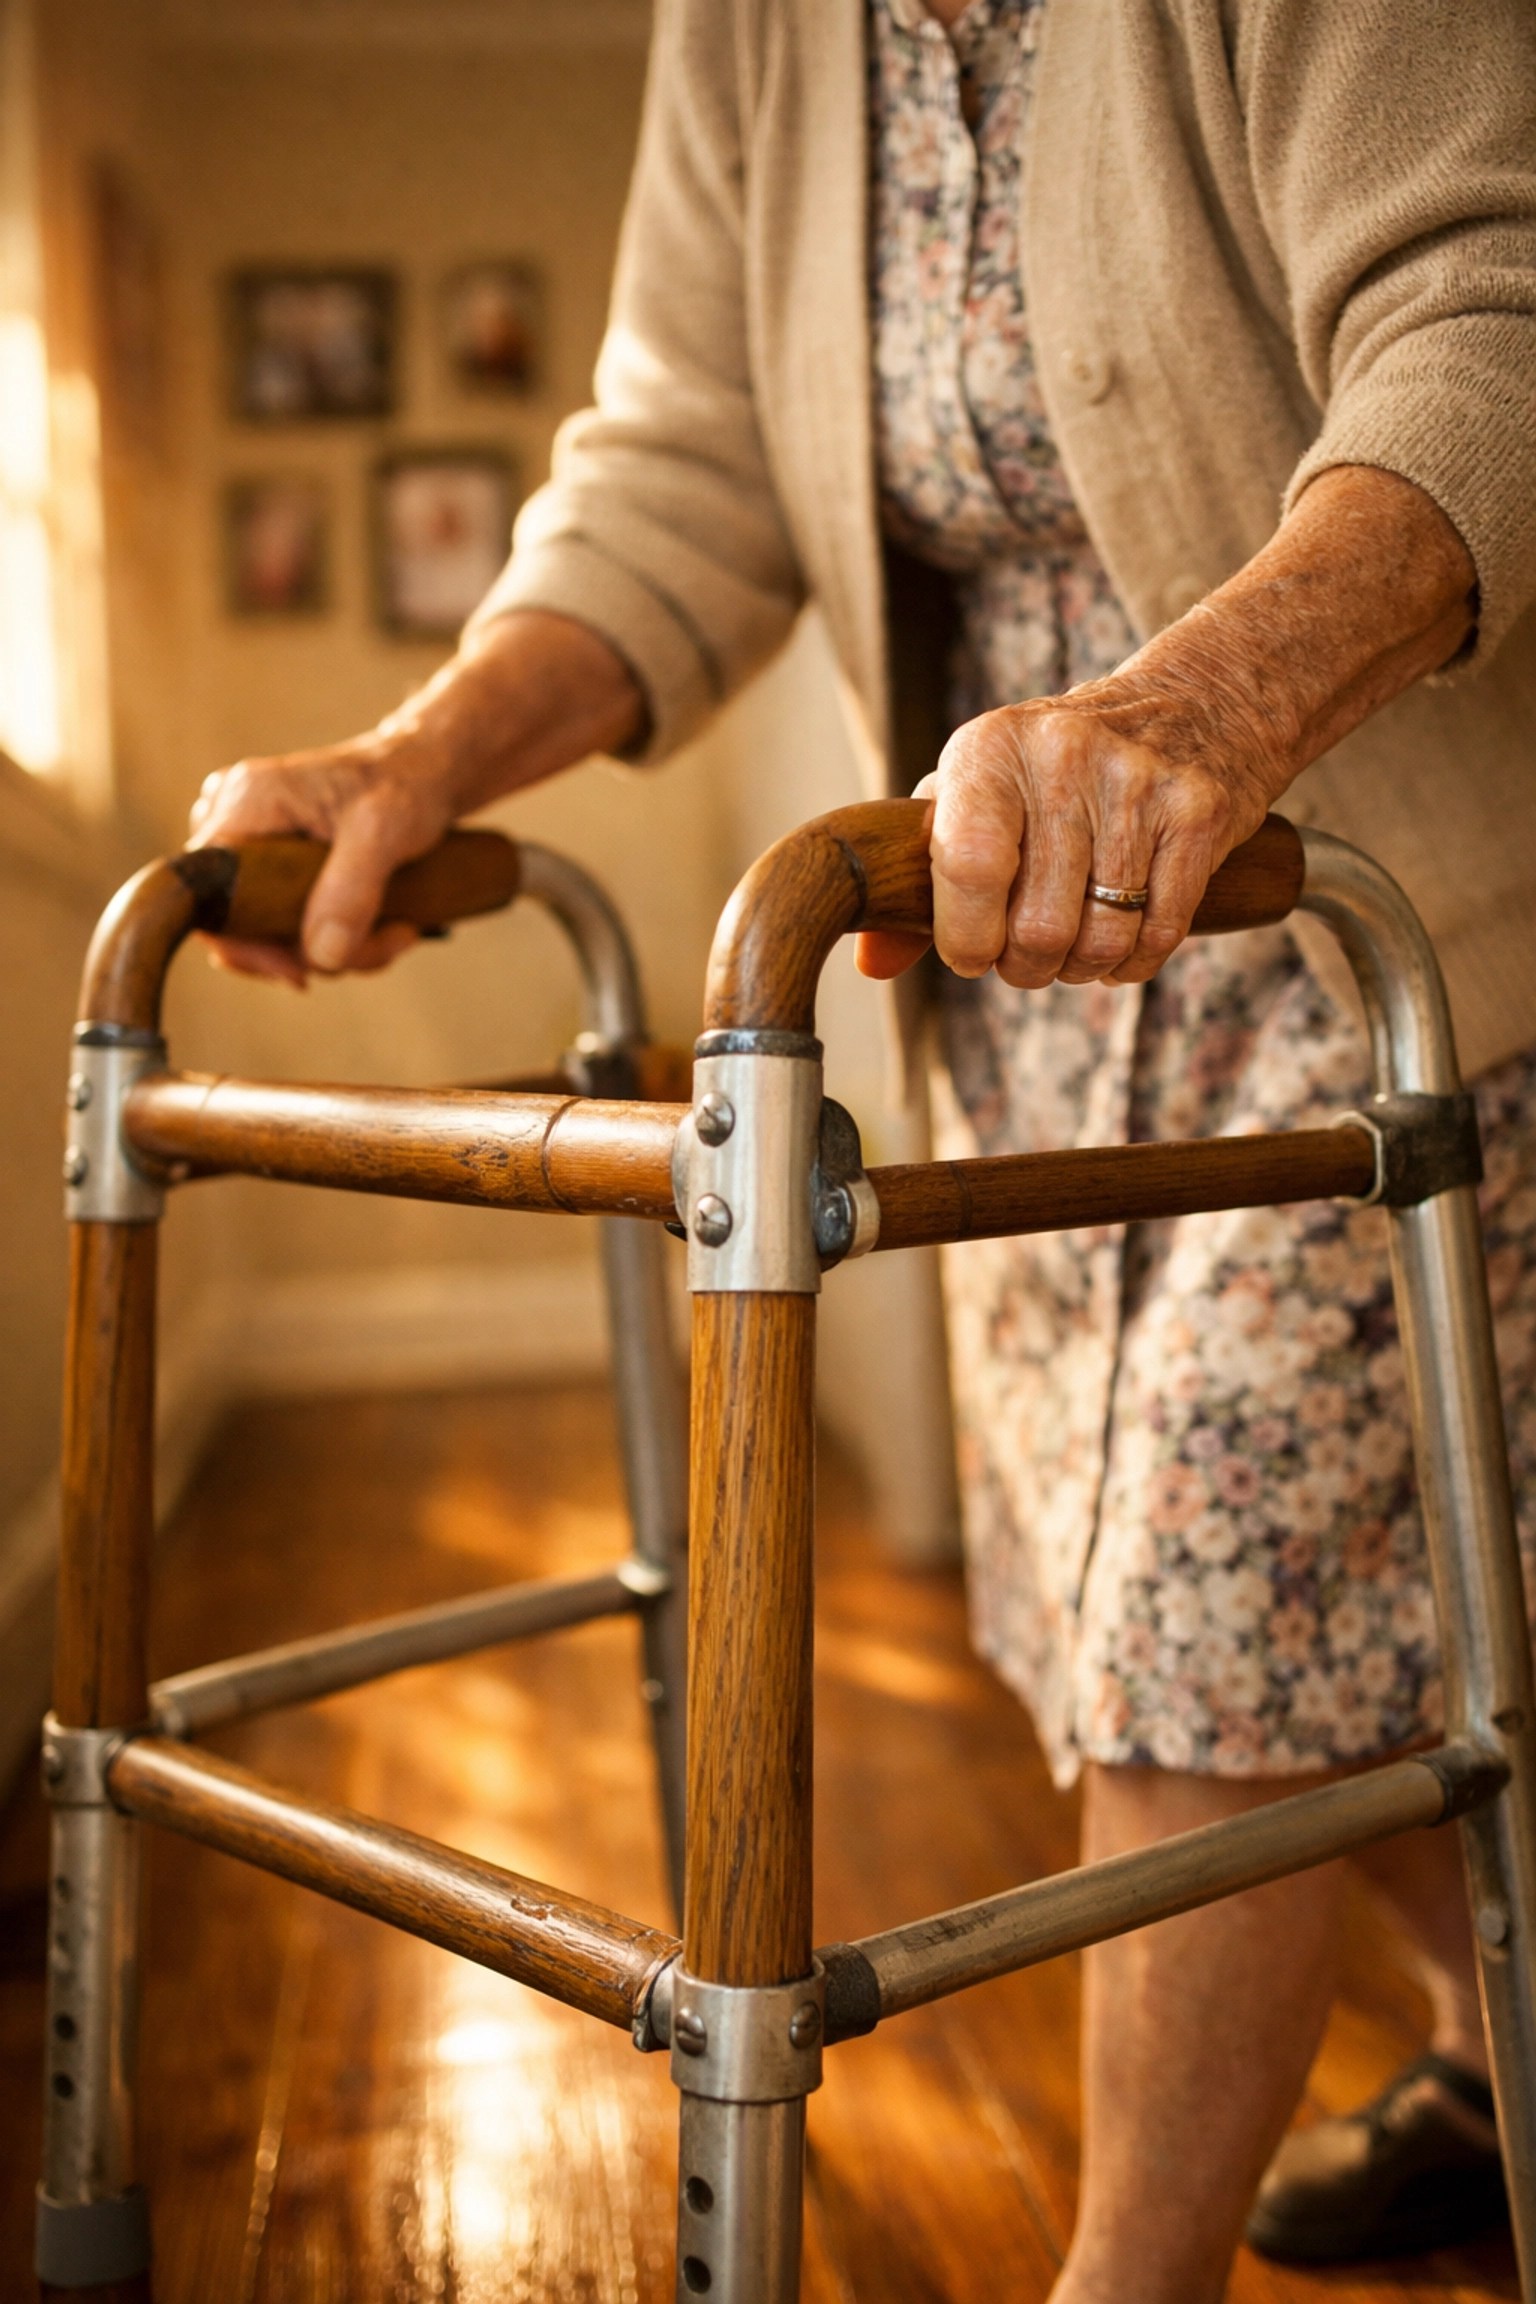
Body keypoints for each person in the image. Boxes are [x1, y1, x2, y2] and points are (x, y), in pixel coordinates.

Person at [189, 4, 1536, 2296]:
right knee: (1217, 1637)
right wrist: (422, 762)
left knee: (1199, 1648)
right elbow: (677, 462)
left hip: (1369, 912)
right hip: (1022, 954)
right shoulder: (757, 24)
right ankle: (1490, 2054)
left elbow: (1489, 313)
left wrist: (1194, 706)